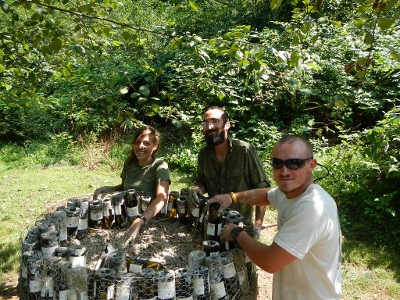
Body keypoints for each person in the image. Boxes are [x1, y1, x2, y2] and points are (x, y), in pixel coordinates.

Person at [209, 135, 342, 299]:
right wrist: (232, 197)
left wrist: (237, 233)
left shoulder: (312, 208)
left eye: (294, 163)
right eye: (277, 164)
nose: (285, 171)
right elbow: (267, 195)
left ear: (311, 165)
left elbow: (270, 261)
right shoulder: (291, 192)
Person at [188, 106, 271, 231]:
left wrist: (257, 226)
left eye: (215, 121)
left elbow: (262, 189)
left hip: (240, 225)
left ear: (227, 125)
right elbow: (202, 182)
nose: (210, 127)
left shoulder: (245, 151)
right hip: (213, 222)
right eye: (205, 123)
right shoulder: (203, 154)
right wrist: (196, 189)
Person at [93, 125, 170, 246]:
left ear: (155, 146)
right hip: (125, 215)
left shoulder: (160, 166)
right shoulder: (129, 162)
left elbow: (162, 197)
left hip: (149, 218)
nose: (140, 147)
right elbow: (124, 187)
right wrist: (108, 189)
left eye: (146, 143)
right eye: (138, 142)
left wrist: (140, 221)